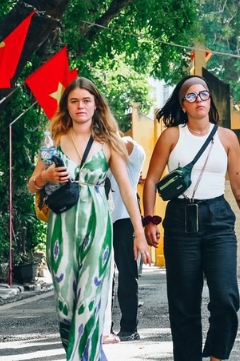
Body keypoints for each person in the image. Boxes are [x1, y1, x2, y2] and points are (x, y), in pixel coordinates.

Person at [27, 77, 151, 361]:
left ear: (96, 105)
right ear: (66, 107)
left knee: (90, 298)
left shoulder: (108, 143)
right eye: (74, 101)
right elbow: (31, 185)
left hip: (97, 226)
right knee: (65, 303)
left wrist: (139, 233)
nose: (80, 106)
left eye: (86, 100)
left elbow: (127, 191)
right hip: (61, 227)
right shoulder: (54, 141)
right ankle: (88, 356)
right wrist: (45, 177)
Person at [141, 75, 240, 361]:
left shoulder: (227, 138)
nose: (198, 100)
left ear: (210, 100)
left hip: (218, 219)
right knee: (184, 303)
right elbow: (152, 180)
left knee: (226, 298)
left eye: (203, 94)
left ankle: (218, 355)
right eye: (191, 96)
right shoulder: (171, 135)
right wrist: (149, 220)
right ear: (183, 104)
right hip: (181, 220)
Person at [103, 135, 145, 342]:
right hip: (101, 221)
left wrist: (107, 136)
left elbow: (125, 144)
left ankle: (129, 327)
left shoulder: (133, 155)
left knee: (128, 276)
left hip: (125, 220)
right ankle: (104, 327)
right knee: (103, 277)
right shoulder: (99, 160)